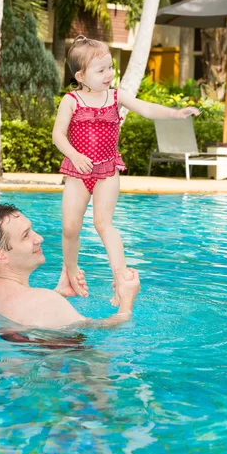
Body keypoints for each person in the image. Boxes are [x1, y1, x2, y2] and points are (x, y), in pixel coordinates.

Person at [52, 35, 200, 302]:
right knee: (70, 227)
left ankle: (121, 280)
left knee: (103, 224)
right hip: (78, 172)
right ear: (80, 75)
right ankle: (70, 274)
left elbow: (146, 108)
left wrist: (175, 113)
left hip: (107, 171)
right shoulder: (71, 101)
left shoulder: (116, 96)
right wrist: (74, 155)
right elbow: (58, 136)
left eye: (110, 67)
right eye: (101, 70)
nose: (109, 74)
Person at [0, 203, 140, 331]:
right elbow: (99, 329)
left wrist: (58, 293)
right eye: (26, 236)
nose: (39, 238)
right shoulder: (45, 301)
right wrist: (126, 302)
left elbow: (20, 317)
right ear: (0, 256)